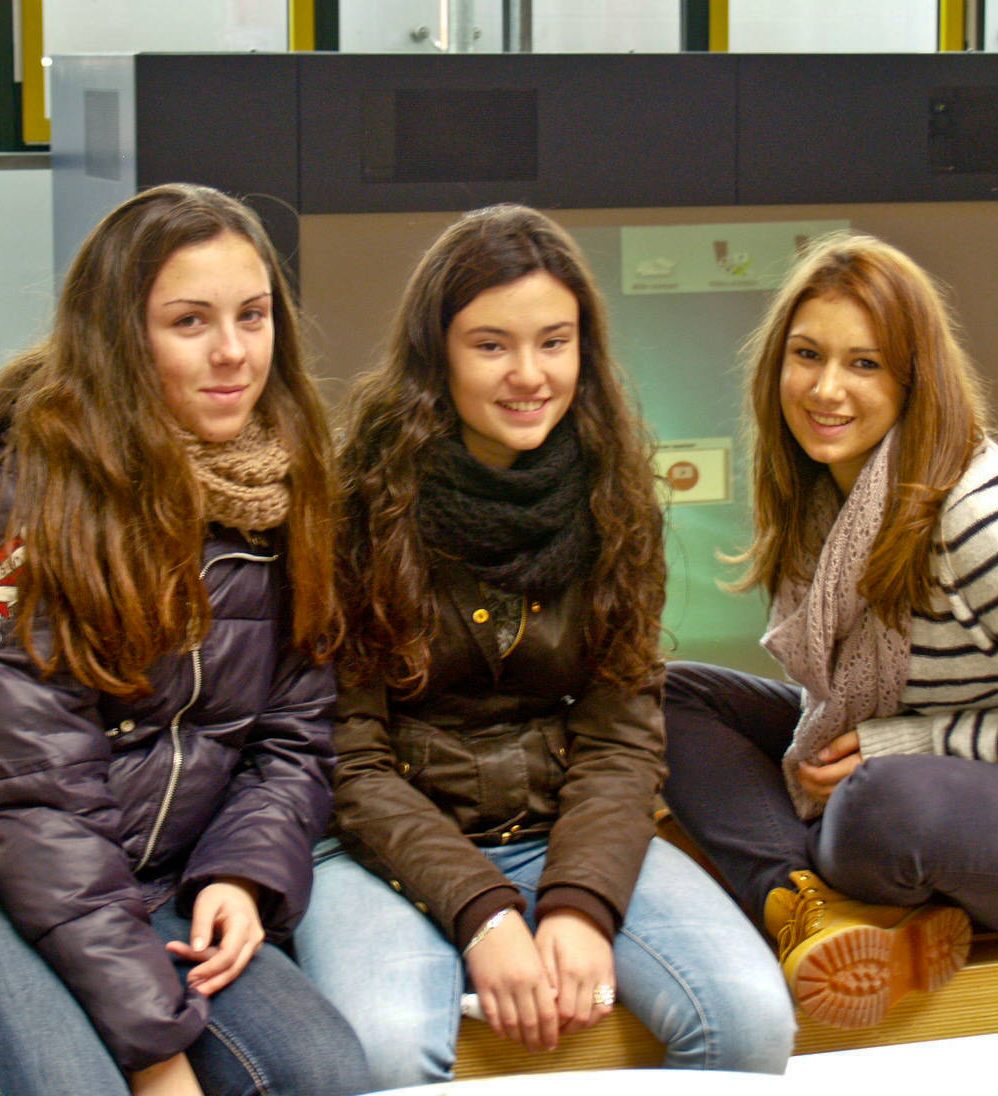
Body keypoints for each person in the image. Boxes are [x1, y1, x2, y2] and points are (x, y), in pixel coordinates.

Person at [0, 183, 370, 1096]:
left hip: (149, 877)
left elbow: (293, 738)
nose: (233, 352)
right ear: (120, 338)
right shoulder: (27, 508)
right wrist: (156, 1052)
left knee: (318, 1072)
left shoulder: (286, 492)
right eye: (189, 321)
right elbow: (31, 801)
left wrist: (241, 875)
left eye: (252, 316)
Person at [294, 203, 796, 1088]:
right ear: (437, 354)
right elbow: (348, 761)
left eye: (553, 343)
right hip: (378, 847)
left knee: (750, 1022)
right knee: (383, 1051)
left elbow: (620, 738)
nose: (528, 375)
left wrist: (580, 901)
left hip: (556, 829)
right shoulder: (353, 504)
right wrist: (484, 912)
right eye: (491, 345)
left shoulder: (614, 494)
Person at [662, 232, 998, 1031]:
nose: (824, 389)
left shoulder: (986, 525)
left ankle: (781, 867)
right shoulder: (824, 499)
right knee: (667, 699)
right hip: (947, 784)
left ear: (914, 381)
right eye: (807, 355)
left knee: (878, 811)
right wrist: (874, 749)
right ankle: (806, 908)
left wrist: (906, 744)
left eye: (864, 363)